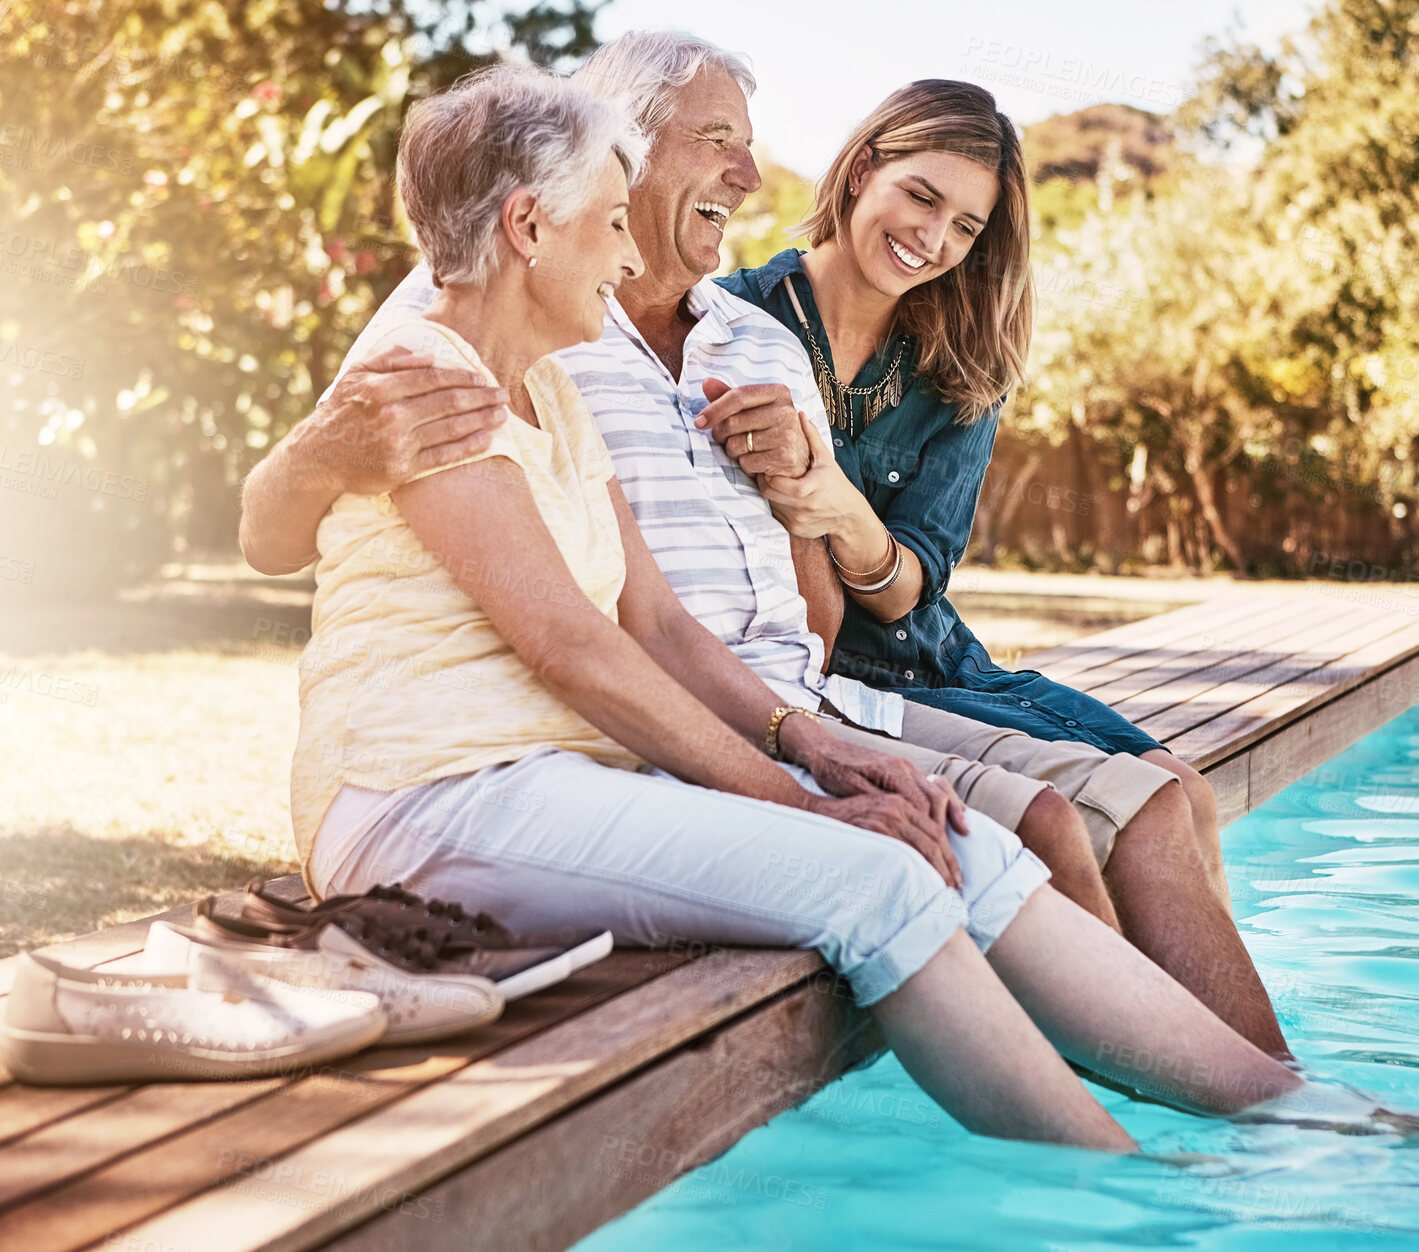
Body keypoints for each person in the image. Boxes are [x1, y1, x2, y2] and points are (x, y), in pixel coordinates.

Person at [283, 57, 1300, 1151]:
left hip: (561, 767)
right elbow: (574, 646)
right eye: (612, 222)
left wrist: (810, 740)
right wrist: (802, 797)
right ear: (531, 225)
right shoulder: (442, 378)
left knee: (972, 845)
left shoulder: (553, 386)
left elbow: (658, 619)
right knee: (880, 874)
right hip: (428, 788)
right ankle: (1132, 1194)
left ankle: (1297, 1111)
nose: (629, 257)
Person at [714, 79, 1234, 917]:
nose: (932, 239)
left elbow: (912, 586)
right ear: (860, 172)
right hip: (823, 680)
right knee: (1114, 819)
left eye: (964, 226)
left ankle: (1199, 1041)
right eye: (920, 196)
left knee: (1185, 793)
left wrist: (838, 507)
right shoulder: (729, 322)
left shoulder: (961, 366)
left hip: (937, 659)